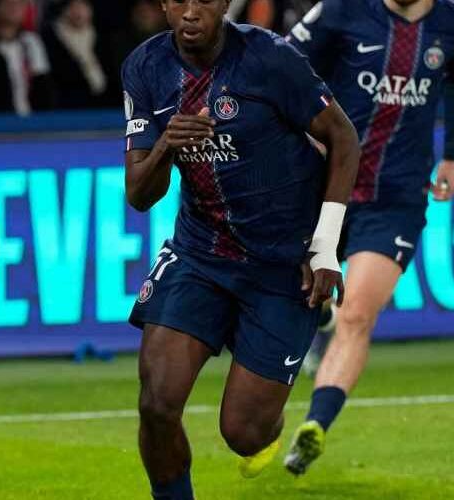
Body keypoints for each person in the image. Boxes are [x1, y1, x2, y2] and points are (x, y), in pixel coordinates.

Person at [122, 0, 360, 496]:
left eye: (203, 0)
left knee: (243, 433)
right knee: (156, 404)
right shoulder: (145, 67)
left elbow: (343, 137)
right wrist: (166, 145)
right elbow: (140, 196)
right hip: (200, 252)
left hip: (283, 261)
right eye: (178, 0)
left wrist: (324, 246)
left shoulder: (269, 58)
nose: (190, 12)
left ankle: (269, 401)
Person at [284, 0, 454, 475]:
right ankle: (318, 320)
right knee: (292, 295)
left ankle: (315, 425)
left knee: (356, 314)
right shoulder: (341, 11)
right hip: (325, 187)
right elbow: (282, 64)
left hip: (395, 199)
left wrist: (452, 156)